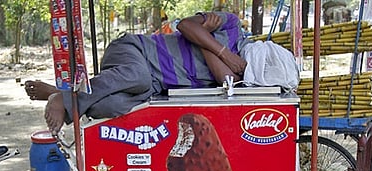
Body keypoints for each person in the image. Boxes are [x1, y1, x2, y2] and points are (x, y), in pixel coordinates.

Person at [32, 11, 249, 134]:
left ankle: (66, 94)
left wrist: (204, 38)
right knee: (138, 76)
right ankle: (65, 98)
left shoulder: (240, 75)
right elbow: (184, 26)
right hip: (136, 52)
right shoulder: (231, 25)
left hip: (153, 85)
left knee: (112, 107)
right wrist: (221, 50)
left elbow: (225, 79)